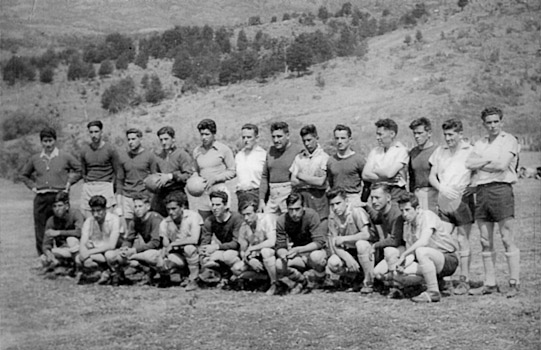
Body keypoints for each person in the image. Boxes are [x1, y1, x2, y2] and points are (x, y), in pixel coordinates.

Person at [466, 107, 520, 298]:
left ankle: (514, 282)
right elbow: (469, 164)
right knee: (484, 240)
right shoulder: (480, 143)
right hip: (481, 191)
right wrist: (488, 160)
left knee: (506, 238)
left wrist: (482, 162)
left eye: (496, 121)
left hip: (501, 189)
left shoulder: (509, 140)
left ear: (501, 122)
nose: (493, 125)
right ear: (484, 124)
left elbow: (501, 165)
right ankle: (490, 283)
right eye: (489, 122)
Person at [428, 119, 475, 295]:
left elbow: (478, 173)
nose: (448, 138)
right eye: (445, 135)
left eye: (451, 135)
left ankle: (464, 280)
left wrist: (472, 186)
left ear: (460, 134)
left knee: (463, 240)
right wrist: (442, 188)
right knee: (442, 239)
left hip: (462, 200)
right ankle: (444, 279)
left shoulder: (470, 151)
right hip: (444, 199)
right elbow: (432, 176)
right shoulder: (440, 151)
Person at [20, 127, 81, 256]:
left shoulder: (64, 156)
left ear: (55, 140)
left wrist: (69, 183)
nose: (48, 144)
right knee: (41, 227)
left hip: (59, 197)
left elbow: (80, 170)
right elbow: (24, 175)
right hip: (42, 198)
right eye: (45, 141)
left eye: (50, 140)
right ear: (41, 142)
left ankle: (64, 256)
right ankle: (43, 257)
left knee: (61, 226)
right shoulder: (35, 158)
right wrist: (33, 187)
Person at [392, 193, 459, 303]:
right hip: (429, 261)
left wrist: (403, 254)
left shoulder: (427, 216)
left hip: (447, 258)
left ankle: (433, 292)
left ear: (417, 208)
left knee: (421, 251)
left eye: (408, 210)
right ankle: (438, 283)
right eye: (402, 210)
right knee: (397, 275)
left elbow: (424, 241)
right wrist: (402, 265)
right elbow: (411, 253)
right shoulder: (407, 225)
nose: (404, 214)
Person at [104, 193, 163, 285]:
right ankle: (120, 275)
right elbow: (129, 239)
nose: (137, 209)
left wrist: (134, 250)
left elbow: (155, 242)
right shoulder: (135, 220)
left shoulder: (155, 219)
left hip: (161, 250)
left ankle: (153, 272)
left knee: (148, 256)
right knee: (111, 255)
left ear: (147, 207)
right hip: (146, 249)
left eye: (140, 206)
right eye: (135, 207)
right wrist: (125, 248)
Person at [275, 192, 327, 294]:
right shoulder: (282, 220)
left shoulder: (311, 215)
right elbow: (280, 245)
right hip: (296, 254)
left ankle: (321, 280)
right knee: (279, 264)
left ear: (303, 207)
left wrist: (299, 249)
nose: (294, 213)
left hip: (312, 252)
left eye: (297, 209)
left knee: (317, 257)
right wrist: (283, 254)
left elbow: (319, 242)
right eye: (290, 209)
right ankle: (301, 280)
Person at [325, 189, 373, 293]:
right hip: (348, 250)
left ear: (346, 201)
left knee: (361, 244)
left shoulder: (356, 211)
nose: (335, 208)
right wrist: (347, 258)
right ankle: (353, 277)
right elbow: (334, 241)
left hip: (366, 249)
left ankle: (369, 281)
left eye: (338, 203)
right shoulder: (332, 217)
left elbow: (366, 234)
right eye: (332, 205)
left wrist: (344, 239)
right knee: (333, 262)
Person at [159, 192, 203, 291]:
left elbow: (194, 239)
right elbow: (166, 245)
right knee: (163, 261)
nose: (171, 212)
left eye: (174, 209)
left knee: (189, 248)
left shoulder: (193, 216)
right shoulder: (165, 223)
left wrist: (174, 243)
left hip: (197, 252)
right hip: (179, 253)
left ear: (182, 207)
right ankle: (182, 275)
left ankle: (194, 279)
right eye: (168, 209)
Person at [231, 200, 278, 295]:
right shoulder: (244, 226)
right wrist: (249, 260)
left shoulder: (266, 219)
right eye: (243, 215)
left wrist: (253, 248)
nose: (246, 218)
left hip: (274, 253)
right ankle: (265, 278)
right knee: (236, 269)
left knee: (266, 251)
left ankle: (275, 283)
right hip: (256, 257)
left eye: (249, 214)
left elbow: (272, 241)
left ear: (256, 212)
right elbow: (243, 251)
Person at [192, 119, 236, 220]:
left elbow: (232, 171)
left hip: (219, 190)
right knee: (204, 224)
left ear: (214, 134)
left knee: (222, 224)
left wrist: (216, 178)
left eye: (207, 134)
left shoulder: (223, 149)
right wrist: (195, 178)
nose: (204, 137)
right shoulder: (197, 151)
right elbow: (195, 171)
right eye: (201, 134)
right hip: (204, 192)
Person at [259, 122, 303, 216]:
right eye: (273, 137)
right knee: (266, 223)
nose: (276, 140)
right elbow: (265, 176)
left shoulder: (298, 150)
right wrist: (262, 200)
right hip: (273, 195)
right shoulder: (270, 151)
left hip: (289, 193)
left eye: (279, 136)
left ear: (287, 135)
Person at [116, 128, 158, 228]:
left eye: (133, 139)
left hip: (143, 196)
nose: (131, 142)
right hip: (127, 197)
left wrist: (151, 199)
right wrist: (119, 204)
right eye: (129, 139)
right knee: (129, 227)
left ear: (140, 139)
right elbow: (119, 181)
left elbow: (154, 178)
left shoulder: (149, 156)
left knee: (145, 225)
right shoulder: (123, 157)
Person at [199, 191, 243, 281]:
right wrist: (204, 252)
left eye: (218, 205)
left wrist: (216, 247)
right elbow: (205, 241)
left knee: (228, 256)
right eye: (213, 205)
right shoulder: (210, 220)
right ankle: (219, 275)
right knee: (207, 258)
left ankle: (237, 277)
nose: (215, 208)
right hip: (223, 249)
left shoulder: (236, 218)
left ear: (226, 205)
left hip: (237, 250)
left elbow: (236, 243)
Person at [152, 126, 195, 217]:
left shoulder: (181, 154)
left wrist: (171, 176)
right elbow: (154, 175)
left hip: (176, 192)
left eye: (166, 139)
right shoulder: (158, 156)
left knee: (181, 223)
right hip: (161, 194)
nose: (164, 142)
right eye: (161, 140)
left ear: (173, 139)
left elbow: (188, 174)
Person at [76, 195, 120, 284]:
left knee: (109, 255)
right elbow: (83, 242)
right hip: (97, 252)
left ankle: (116, 273)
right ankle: (102, 271)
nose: (95, 214)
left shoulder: (114, 219)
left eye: (99, 211)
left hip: (112, 251)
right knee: (79, 259)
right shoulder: (89, 221)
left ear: (105, 209)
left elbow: (112, 245)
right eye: (93, 211)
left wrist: (88, 253)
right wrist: (84, 254)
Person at [79, 120, 119, 218]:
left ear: (101, 132)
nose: (94, 135)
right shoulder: (84, 150)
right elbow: (83, 171)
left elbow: (117, 171)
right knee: (88, 218)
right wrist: (87, 183)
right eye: (91, 132)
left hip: (105, 185)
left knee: (108, 217)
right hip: (90, 185)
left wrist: (113, 187)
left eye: (96, 132)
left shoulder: (110, 149)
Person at [367, 184, 406, 285]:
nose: (374, 201)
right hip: (399, 249)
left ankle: (398, 285)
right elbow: (376, 218)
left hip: (407, 248)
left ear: (388, 197)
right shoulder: (382, 211)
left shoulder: (396, 213)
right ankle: (395, 280)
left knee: (389, 251)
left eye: (377, 197)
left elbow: (395, 240)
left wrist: (375, 245)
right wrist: (365, 206)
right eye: (372, 198)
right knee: (377, 273)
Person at [362, 119, 409, 201]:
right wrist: (384, 178)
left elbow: (389, 173)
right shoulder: (375, 151)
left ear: (392, 134)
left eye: (380, 134)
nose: (377, 138)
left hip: (395, 192)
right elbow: (365, 175)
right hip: (377, 192)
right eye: (377, 134)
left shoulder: (401, 151)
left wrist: (374, 170)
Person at [290, 124, 330, 220]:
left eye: (309, 140)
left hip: (318, 198)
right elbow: (293, 181)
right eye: (304, 141)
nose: (307, 144)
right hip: (303, 197)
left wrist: (300, 175)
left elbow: (320, 182)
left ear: (316, 138)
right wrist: (312, 179)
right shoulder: (299, 157)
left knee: (318, 224)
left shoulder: (324, 158)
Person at [41, 191, 84, 273]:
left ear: (67, 206)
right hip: (64, 249)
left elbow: (80, 232)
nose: (57, 209)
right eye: (54, 206)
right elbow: (46, 243)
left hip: (79, 248)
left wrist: (59, 232)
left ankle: (78, 267)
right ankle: (65, 265)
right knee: (44, 258)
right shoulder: (51, 220)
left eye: (60, 206)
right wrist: (48, 253)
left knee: (71, 240)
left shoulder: (75, 214)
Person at [326, 124, 367, 207]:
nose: (339, 141)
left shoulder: (358, 159)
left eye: (343, 138)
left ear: (350, 139)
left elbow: (367, 183)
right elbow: (331, 182)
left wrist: (362, 200)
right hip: (336, 199)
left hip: (353, 199)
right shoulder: (331, 161)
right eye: (337, 138)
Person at [408, 118, 438, 213]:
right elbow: (411, 176)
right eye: (415, 133)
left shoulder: (437, 151)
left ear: (429, 133)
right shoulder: (413, 153)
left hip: (433, 194)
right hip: (417, 194)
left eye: (420, 133)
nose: (417, 136)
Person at [235, 123, 267, 210]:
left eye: (249, 137)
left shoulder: (263, 155)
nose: (246, 140)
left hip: (257, 194)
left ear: (256, 138)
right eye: (243, 137)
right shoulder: (239, 156)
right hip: (241, 195)